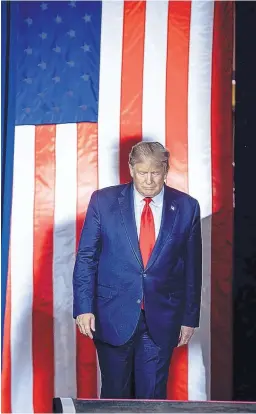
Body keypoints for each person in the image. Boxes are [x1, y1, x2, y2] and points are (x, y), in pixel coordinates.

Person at [73, 141, 202, 399]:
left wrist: (189, 318)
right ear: (131, 169)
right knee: (114, 396)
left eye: (156, 172)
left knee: (152, 398)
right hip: (112, 314)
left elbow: (192, 268)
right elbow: (86, 257)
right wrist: (84, 307)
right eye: (143, 172)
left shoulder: (187, 207)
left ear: (166, 171)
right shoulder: (103, 201)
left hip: (162, 318)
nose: (149, 180)